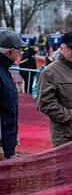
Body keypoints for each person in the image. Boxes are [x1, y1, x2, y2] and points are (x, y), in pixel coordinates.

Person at [0, 29, 28, 160]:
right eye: (19, 50)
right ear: (11, 51)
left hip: (7, 139)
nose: (20, 53)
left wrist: (13, 133)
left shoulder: (4, 69)